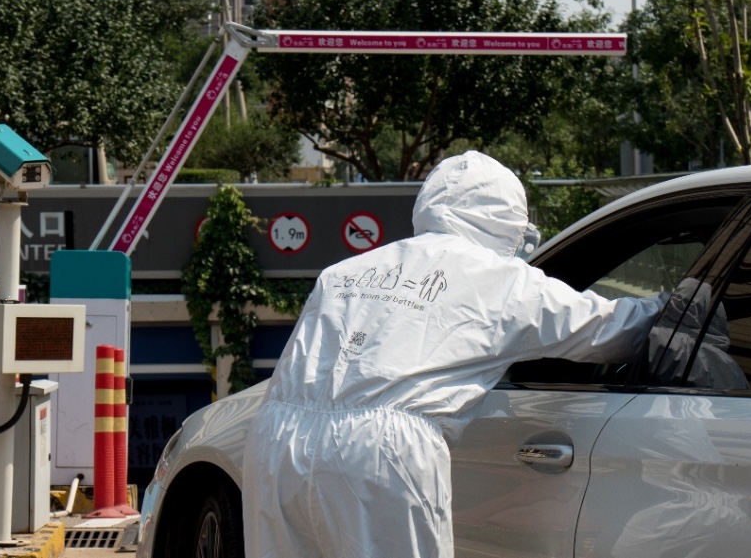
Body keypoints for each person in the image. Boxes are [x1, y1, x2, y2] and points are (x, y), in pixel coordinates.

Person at [241, 151, 668, 558]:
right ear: (506, 219)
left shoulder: (344, 272)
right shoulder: (505, 281)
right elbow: (614, 331)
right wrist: (687, 301)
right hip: (381, 453)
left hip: (277, 439)